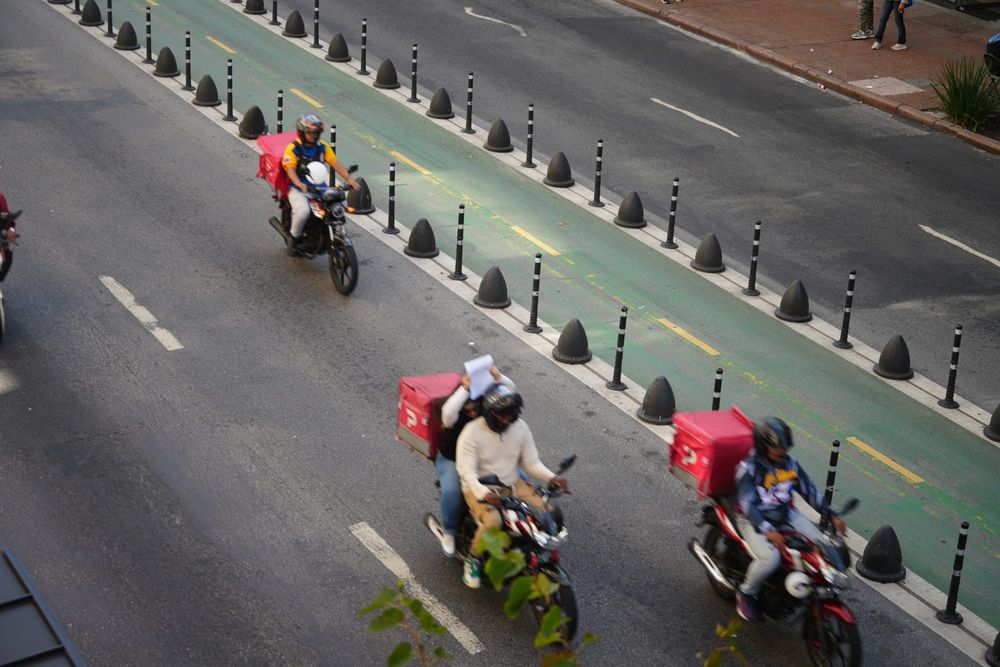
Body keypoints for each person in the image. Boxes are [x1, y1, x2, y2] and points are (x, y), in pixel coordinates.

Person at [734, 418, 847, 622]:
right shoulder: (748, 468)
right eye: (776, 447)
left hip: (786, 514)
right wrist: (768, 530)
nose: (782, 451)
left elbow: (809, 490)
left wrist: (831, 513)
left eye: (784, 446)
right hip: (753, 521)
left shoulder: (791, 464)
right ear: (763, 446)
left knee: (820, 544)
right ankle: (747, 593)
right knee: (771, 558)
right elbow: (748, 505)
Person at [455, 385, 568, 588]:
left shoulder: (520, 428)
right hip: (480, 488)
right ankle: (473, 558)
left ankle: (540, 548)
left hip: (512, 483)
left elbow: (532, 463)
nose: (508, 419)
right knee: (493, 521)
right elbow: (467, 472)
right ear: (490, 414)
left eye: (511, 414)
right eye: (503, 415)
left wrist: (552, 477)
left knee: (551, 508)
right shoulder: (471, 433)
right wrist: (484, 493)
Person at [434, 365, 515, 557]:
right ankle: (449, 531)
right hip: (453, 460)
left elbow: (510, 391)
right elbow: (448, 416)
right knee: (452, 491)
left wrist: (498, 378)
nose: (472, 413)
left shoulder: (485, 403)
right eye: (467, 410)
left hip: (485, 457)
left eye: (475, 409)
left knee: (519, 478)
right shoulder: (452, 408)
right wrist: (465, 388)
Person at [281, 113, 360, 256]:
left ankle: (332, 233)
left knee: (340, 203)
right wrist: (299, 183)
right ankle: (294, 238)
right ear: (302, 132)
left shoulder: (323, 147)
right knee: (303, 211)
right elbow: (290, 169)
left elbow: (334, 163)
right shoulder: (293, 148)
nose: (313, 135)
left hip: (319, 187)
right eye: (310, 132)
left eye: (316, 133)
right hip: (298, 189)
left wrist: (350, 179)